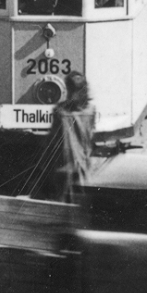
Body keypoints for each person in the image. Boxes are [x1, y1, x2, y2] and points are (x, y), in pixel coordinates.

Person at [32, 69, 96, 201]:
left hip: (64, 165)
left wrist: (44, 166)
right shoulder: (91, 110)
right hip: (83, 165)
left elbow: (52, 141)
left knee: (62, 202)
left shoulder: (60, 111)